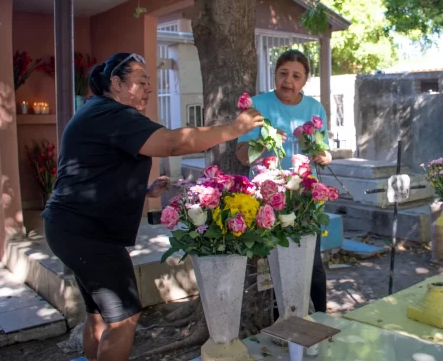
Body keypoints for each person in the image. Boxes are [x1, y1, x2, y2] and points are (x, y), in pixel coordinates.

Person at [42, 52, 264, 361]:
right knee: (125, 319)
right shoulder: (114, 113)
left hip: (68, 228)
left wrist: (144, 192)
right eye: (141, 81)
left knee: (98, 316)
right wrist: (234, 128)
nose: (148, 88)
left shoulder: (97, 112)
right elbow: (175, 143)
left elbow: (93, 171)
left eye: (150, 82)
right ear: (116, 84)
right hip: (89, 234)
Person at [235, 49, 332, 317]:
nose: (288, 81)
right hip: (268, 199)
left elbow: (324, 151)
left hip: (304, 200)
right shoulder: (257, 105)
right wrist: (264, 141)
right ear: (275, 74)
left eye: (296, 76)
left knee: (312, 265)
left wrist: (324, 155)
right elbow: (242, 156)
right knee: (275, 268)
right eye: (283, 74)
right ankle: (283, 328)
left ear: (305, 80)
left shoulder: (314, 108)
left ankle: (319, 321)